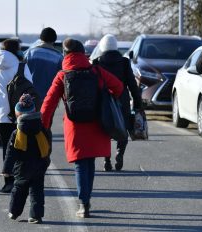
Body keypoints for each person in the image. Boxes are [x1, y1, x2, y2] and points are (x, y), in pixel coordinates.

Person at [40, 38, 123, 218]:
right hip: (96, 123)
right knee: (90, 162)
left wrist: (43, 126)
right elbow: (118, 86)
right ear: (82, 52)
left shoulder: (63, 75)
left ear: (65, 54)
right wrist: (106, 96)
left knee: (80, 164)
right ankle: (86, 201)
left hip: (74, 125)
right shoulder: (97, 72)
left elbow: (48, 103)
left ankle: (83, 204)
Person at [0, 39, 33, 193]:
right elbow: (30, 88)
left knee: (7, 151)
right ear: (15, 50)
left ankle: (8, 182)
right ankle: (20, 180)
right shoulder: (21, 67)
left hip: (1, 117)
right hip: (20, 115)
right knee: (22, 148)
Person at [92, 34, 142, 171]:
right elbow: (132, 85)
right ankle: (119, 153)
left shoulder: (97, 62)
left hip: (103, 102)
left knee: (105, 130)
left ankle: (106, 159)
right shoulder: (125, 62)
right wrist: (138, 103)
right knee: (123, 128)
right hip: (122, 100)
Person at [2, 94, 51, 224]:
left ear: (18, 114)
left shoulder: (17, 133)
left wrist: (6, 169)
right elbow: (48, 145)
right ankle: (36, 216)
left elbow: (10, 153)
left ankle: (14, 211)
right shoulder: (42, 128)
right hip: (39, 165)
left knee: (19, 189)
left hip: (22, 167)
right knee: (37, 191)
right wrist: (46, 161)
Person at [24, 27, 63, 102]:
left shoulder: (29, 53)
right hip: (50, 97)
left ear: (41, 38)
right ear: (54, 39)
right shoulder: (59, 57)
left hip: (29, 95)